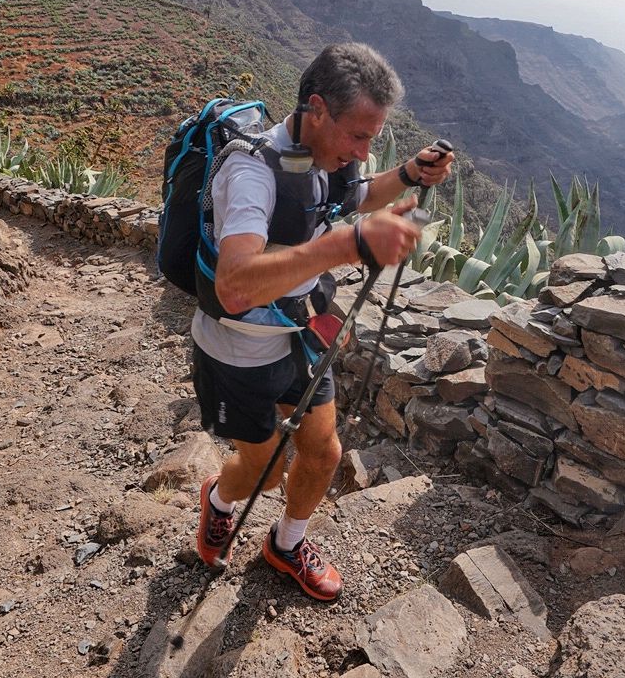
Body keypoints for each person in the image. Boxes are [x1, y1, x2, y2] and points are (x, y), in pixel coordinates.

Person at [191, 41, 454, 600]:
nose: (361, 153)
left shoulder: (322, 158)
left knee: (324, 452)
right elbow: (234, 286)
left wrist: (409, 173)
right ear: (315, 108)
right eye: (356, 136)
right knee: (261, 466)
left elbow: (353, 195)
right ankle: (218, 499)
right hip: (239, 347)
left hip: (302, 333)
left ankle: (285, 545)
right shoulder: (252, 171)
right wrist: (348, 246)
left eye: (372, 140)